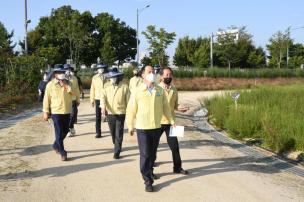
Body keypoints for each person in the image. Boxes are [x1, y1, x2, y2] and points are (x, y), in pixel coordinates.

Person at [127, 65, 175, 192]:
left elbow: (166, 108)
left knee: (152, 154)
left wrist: (172, 121)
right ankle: (148, 180)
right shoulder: (137, 91)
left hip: (156, 127)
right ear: (142, 75)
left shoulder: (159, 90)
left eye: (153, 71)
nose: (152, 73)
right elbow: (131, 109)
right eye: (149, 72)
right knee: (145, 154)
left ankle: (149, 172)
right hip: (142, 128)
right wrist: (130, 125)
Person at [155, 67, 188, 175]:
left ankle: (177, 168)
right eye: (166, 75)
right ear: (161, 76)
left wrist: (180, 108)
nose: (168, 77)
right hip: (157, 122)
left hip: (171, 122)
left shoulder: (174, 89)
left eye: (170, 75)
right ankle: (150, 169)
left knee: (175, 147)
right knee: (152, 146)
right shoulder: (156, 89)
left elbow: (175, 105)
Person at [43, 64, 74, 161]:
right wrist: (46, 112)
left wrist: (65, 85)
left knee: (65, 131)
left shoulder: (69, 83)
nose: (62, 74)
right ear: (55, 74)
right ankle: (62, 152)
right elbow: (46, 99)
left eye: (63, 72)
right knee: (59, 132)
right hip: (56, 112)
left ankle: (55, 145)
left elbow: (73, 95)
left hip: (67, 110)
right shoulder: (50, 85)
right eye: (60, 72)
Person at [100, 68, 130, 159]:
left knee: (119, 132)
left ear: (118, 77)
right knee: (113, 132)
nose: (113, 78)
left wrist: (129, 112)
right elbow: (103, 98)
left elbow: (128, 101)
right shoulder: (106, 86)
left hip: (121, 112)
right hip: (110, 113)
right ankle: (115, 143)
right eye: (111, 77)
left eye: (114, 77)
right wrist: (103, 107)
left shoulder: (124, 87)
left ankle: (117, 151)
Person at [90, 63, 109, 138]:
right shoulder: (94, 78)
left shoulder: (108, 76)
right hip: (98, 98)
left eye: (102, 68)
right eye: (99, 68)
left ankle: (112, 128)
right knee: (98, 116)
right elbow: (92, 89)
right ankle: (98, 132)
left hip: (107, 98)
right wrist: (92, 99)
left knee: (108, 115)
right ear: (97, 69)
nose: (101, 69)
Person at [64, 64, 80, 137]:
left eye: (69, 69)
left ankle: (70, 127)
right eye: (66, 69)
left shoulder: (74, 78)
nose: (68, 70)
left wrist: (78, 99)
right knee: (67, 116)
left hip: (73, 99)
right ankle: (70, 129)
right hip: (65, 100)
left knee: (74, 114)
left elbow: (77, 89)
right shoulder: (62, 79)